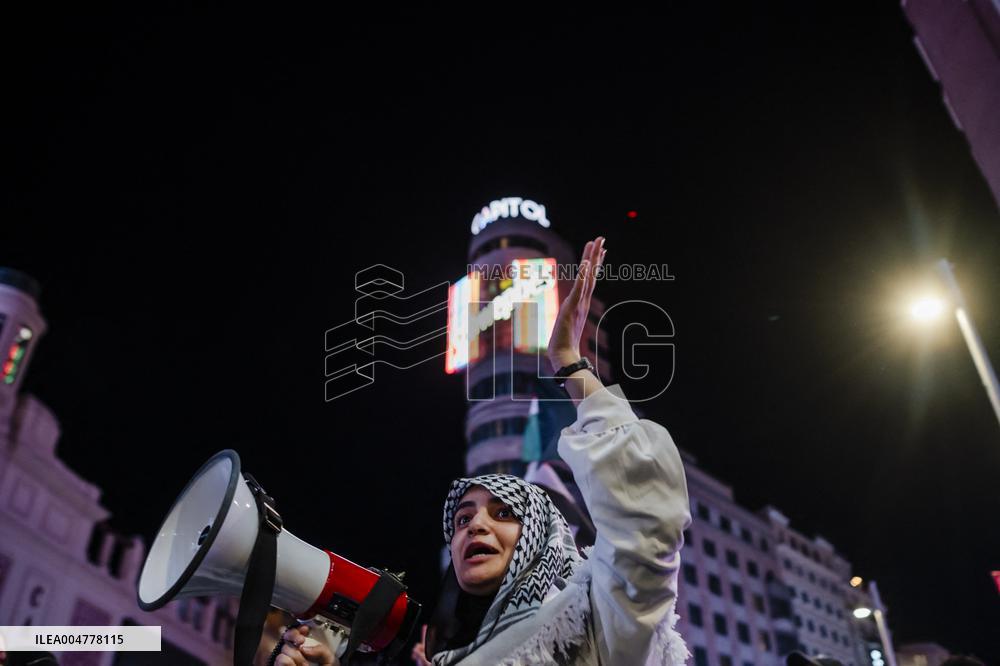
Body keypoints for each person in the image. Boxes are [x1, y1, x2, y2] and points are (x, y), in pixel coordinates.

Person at [275, 236, 691, 665]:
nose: (474, 525)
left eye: (505, 512)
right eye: (461, 518)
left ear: (541, 536)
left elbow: (647, 523)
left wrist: (569, 361)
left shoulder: (597, 619)